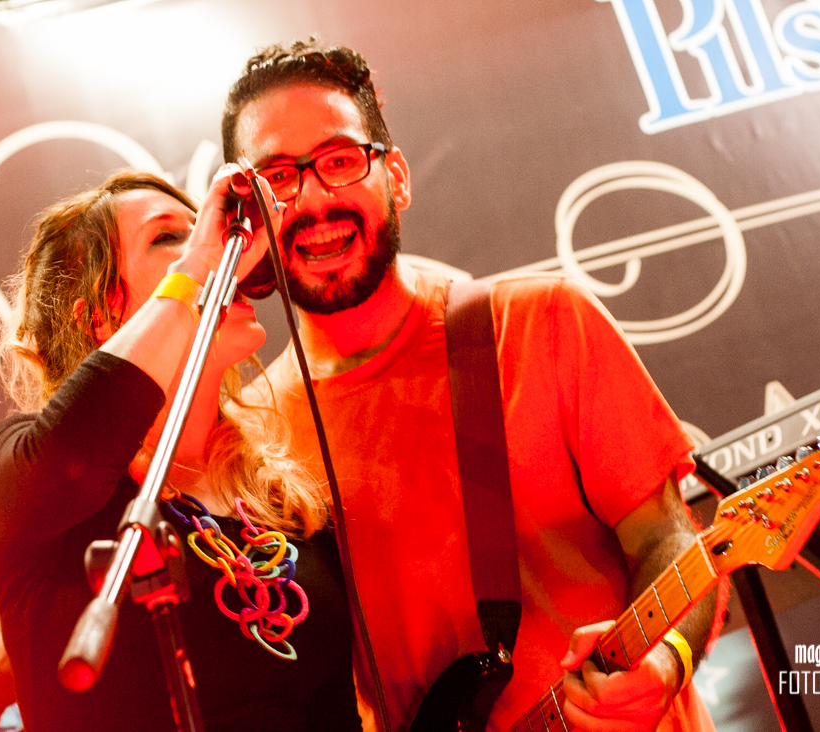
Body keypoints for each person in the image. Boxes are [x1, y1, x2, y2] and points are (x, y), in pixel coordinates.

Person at [221, 41, 721, 731]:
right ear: (244, 216)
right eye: (276, 178)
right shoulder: (250, 434)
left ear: (396, 177)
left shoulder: (544, 321)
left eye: (339, 161)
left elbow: (669, 538)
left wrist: (666, 661)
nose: (312, 199)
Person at [0, 169, 362, 731]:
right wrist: (197, 265)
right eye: (167, 237)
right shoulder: (19, 464)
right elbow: (74, 462)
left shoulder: (283, 501)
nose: (222, 246)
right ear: (100, 316)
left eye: (201, 228)